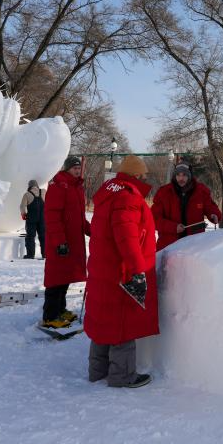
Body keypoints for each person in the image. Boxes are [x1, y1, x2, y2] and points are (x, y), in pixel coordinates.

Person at [84, 154, 157, 388]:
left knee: (102, 322)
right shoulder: (127, 197)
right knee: (122, 325)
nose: (145, 178)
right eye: (143, 174)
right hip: (120, 271)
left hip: (102, 269)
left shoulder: (108, 195)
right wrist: (137, 271)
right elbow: (127, 239)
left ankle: (97, 371)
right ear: (136, 175)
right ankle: (122, 376)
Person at [42, 156, 90, 329]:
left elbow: (80, 218)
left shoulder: (76, 187)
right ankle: (50, 315)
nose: (77, 171)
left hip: (73, 241)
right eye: (74, 168)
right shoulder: (59, 186)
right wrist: (60, 241)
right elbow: (52, 217)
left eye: (79, 168)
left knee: (65, 278)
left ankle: (61, 310)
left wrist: (94, 231)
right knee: (56, 280)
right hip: (60, 243)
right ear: (67, 169)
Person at [151, 162, 222, 251]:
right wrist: (173, 227)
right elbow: (154, 219)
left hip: (194, 245)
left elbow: (210, 207)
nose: (181, 178)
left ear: (190, 176)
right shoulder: (163, 193)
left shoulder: (201, 191)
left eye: (184, 175)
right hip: (168, 246)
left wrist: (214, 214)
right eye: (178, 175)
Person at [20, 180, 46, 259]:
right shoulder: (44, 191)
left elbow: (22, 207)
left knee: (30, 236)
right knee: (43, 236)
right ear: (37, 185)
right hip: (43, 218)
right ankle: (45, 254)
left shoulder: (27, 194)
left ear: (29, 186)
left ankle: (30, 255)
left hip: (31, 219)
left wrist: (23, 214)